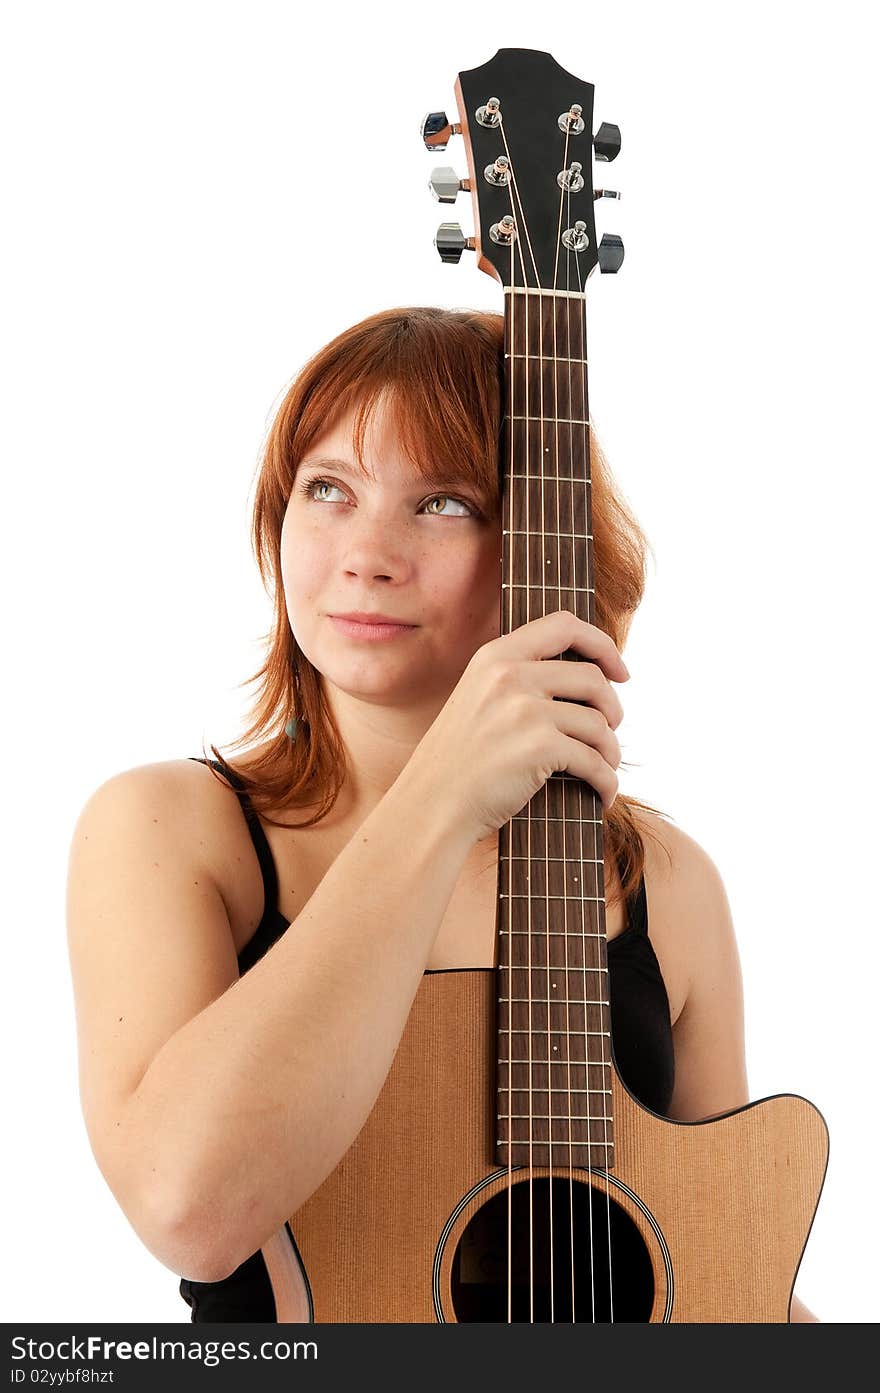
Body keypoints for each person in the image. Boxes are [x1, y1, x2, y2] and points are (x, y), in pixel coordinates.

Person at [66, 305, 817, 1323]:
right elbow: (189, 1209)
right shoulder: (171, 828)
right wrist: (441, 795)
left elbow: (733, 1285)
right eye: (327, 489)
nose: (366, 554)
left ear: (543, 544)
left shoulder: (664, 882)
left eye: (445, 503)